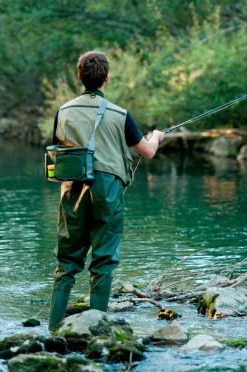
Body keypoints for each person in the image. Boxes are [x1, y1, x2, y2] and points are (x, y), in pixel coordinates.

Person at [48, 51, 164, 331]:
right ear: (107, 78)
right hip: (108, 189)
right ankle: (96, 329)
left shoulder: (63, 111)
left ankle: (52, 330)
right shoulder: (119, 114)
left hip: (72, 189)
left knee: (67, 262)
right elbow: (147, 152)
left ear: (79, 77)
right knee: (103, 259)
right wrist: (157, 136)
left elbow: (59, 150)